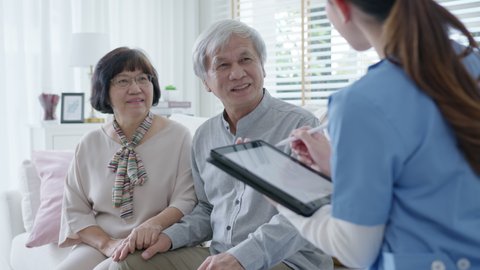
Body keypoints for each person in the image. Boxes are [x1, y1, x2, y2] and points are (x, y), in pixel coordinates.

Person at [273, 0, 480, 269]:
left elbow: (355, 250)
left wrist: (283, 196)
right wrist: (341, 167)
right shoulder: (471, 62)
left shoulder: (361, 103)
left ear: (341, 7)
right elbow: (439, 181)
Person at [111, 19, 333, 270]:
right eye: (223, 65)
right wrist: (169, 237)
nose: (237, 73)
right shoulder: (205, 136)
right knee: (128, 264)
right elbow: (207, 209)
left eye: (246, 60)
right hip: (219, 255)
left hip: (289, 260)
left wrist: (243, 257)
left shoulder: (299, 125)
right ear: (206, 82)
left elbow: (306, 214)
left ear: (263, 67)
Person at [56, 47, 197, 270]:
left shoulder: (179, 137)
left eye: (143, 79)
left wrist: (151, 226)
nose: (136, 88)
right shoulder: (89, 143)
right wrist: (107, 244)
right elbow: (75, 210)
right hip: (102, 242)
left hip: (154, 240)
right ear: (105, 91)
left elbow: (187, 199)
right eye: (123, 81)